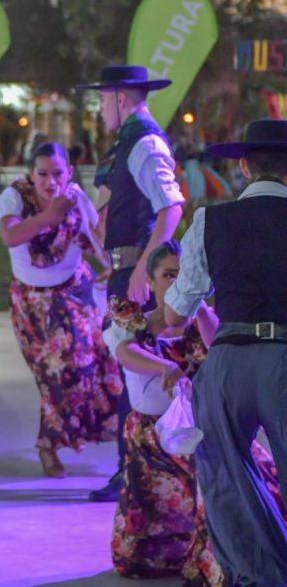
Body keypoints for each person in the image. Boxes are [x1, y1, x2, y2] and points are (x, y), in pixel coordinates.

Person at [106, 241, 283, 584]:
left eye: (182, 276)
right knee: (140, 553)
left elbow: (220, 346)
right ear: (151, 281)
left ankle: (222, 559)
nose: (175, 284)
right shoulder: (131, 322)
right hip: (152, 436)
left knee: (240, 483)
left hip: (203, 430)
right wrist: (164, 366)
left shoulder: (206, 322)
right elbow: (125, 353)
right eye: (168, 276)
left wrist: (197, 306)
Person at [165, 119, 287, 583]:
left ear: (244, 167)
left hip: (229, 359)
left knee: (226, 479)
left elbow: (177, 311)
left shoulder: (210, 221)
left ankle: (260, 575)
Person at [79, 64, 186, 502]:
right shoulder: (130, 141)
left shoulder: (144, 142)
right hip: (127, 271)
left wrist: (142, 267)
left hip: (138, 277)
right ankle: (133, 471)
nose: (100, 107)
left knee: (138, 371)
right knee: (130, 370)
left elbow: (172, 207)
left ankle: (138, 473)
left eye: (103, 99)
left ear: (121, 98)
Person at [0, 143, 122, 477]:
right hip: (33, 303)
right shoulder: (15, 198)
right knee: (53, 374)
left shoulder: (75, 198)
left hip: (74, 292)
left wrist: (115, 265)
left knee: (97, 365)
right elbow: (9, 236)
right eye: (42, 174)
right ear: (30, 174)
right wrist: (48, 217)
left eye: (57, 174)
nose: (50, 182)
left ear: (70, 173)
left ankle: (111, 439)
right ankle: (48, 447)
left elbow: (96, 241)